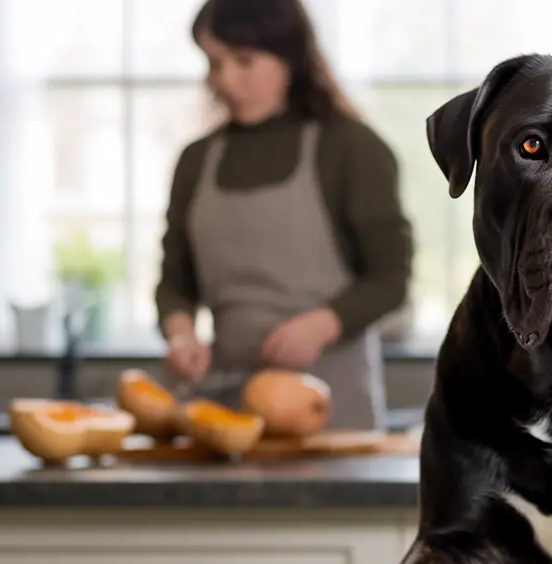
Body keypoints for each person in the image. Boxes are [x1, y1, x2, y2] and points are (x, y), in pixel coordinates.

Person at [155, 0, 414, 430]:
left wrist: (322, 325)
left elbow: (391, 279)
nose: (225, 80)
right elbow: (175, 282)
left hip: (333, 421)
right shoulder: (196, 160)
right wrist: (181, 334)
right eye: (214, 63)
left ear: (290, 57)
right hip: (226, 416)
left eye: (244, 61)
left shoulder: (353, 150)